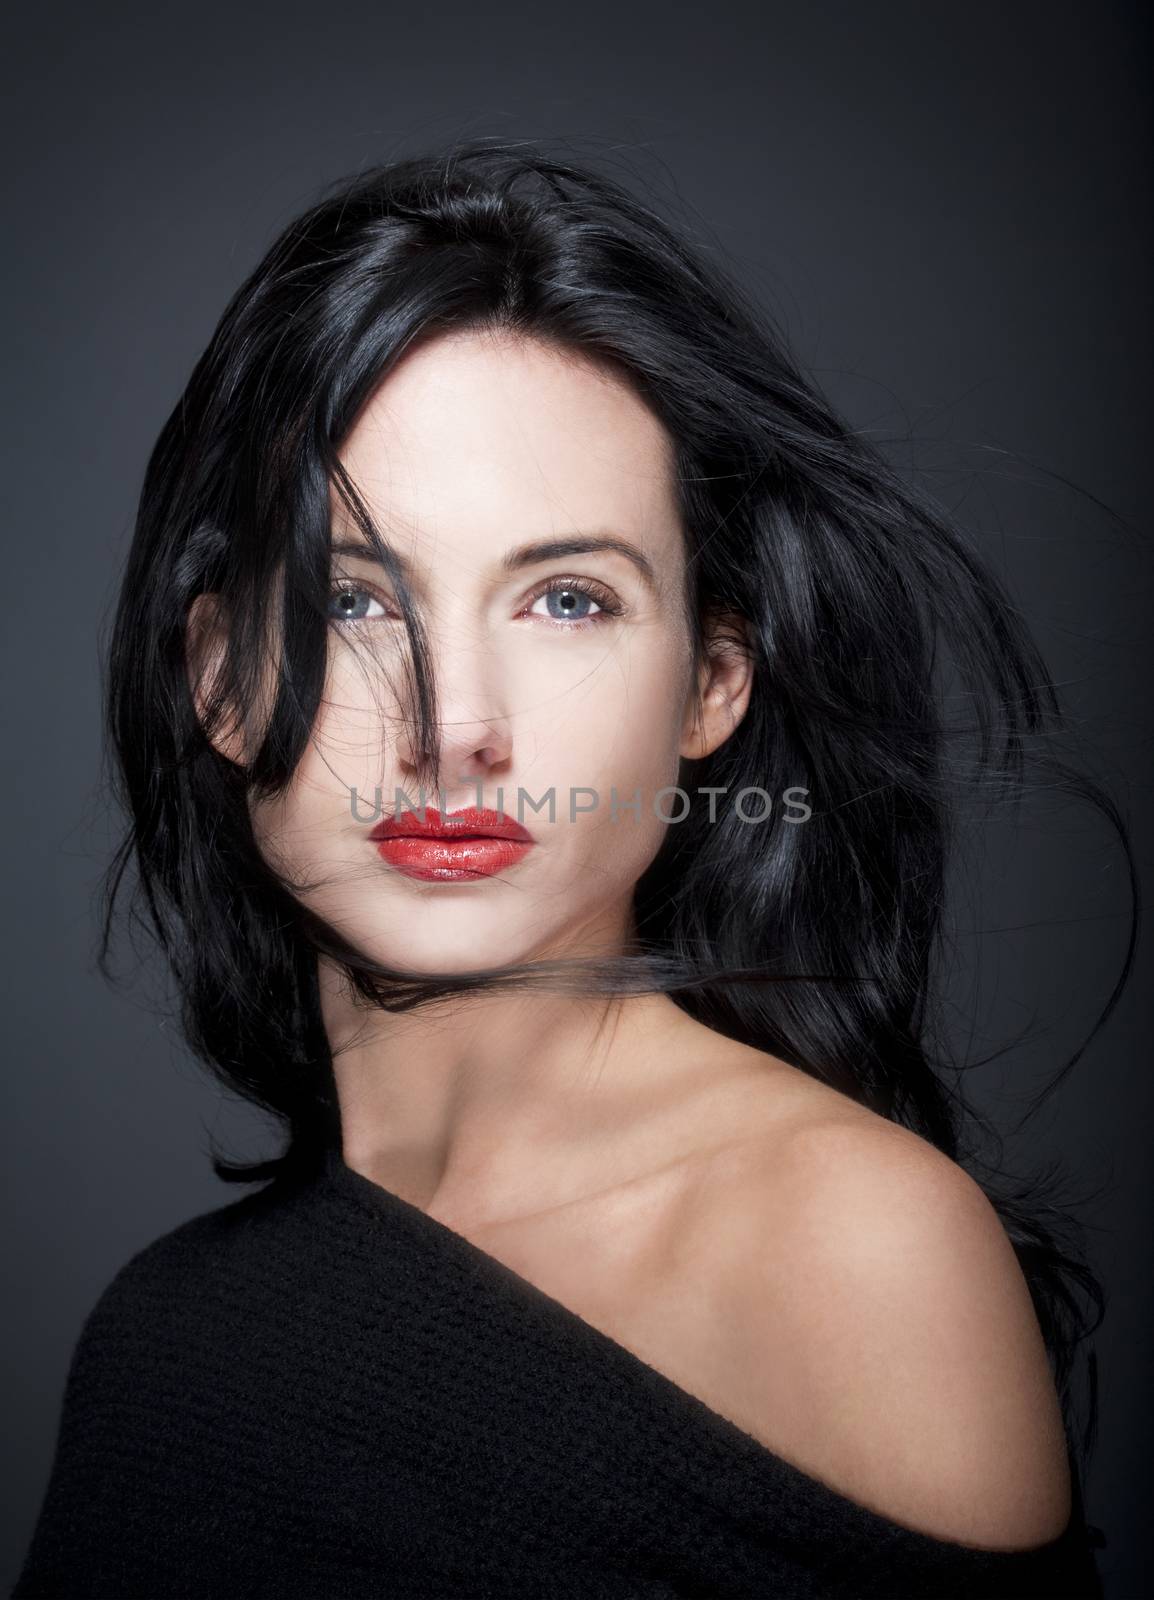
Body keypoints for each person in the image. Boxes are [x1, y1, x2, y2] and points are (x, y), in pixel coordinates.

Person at [13, 137, 1125, 1598]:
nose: (453, 727)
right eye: (353, 599)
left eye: (564, 598)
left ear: (710, 686)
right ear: (219, 677)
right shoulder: (161, 1341)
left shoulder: (848, 1246)